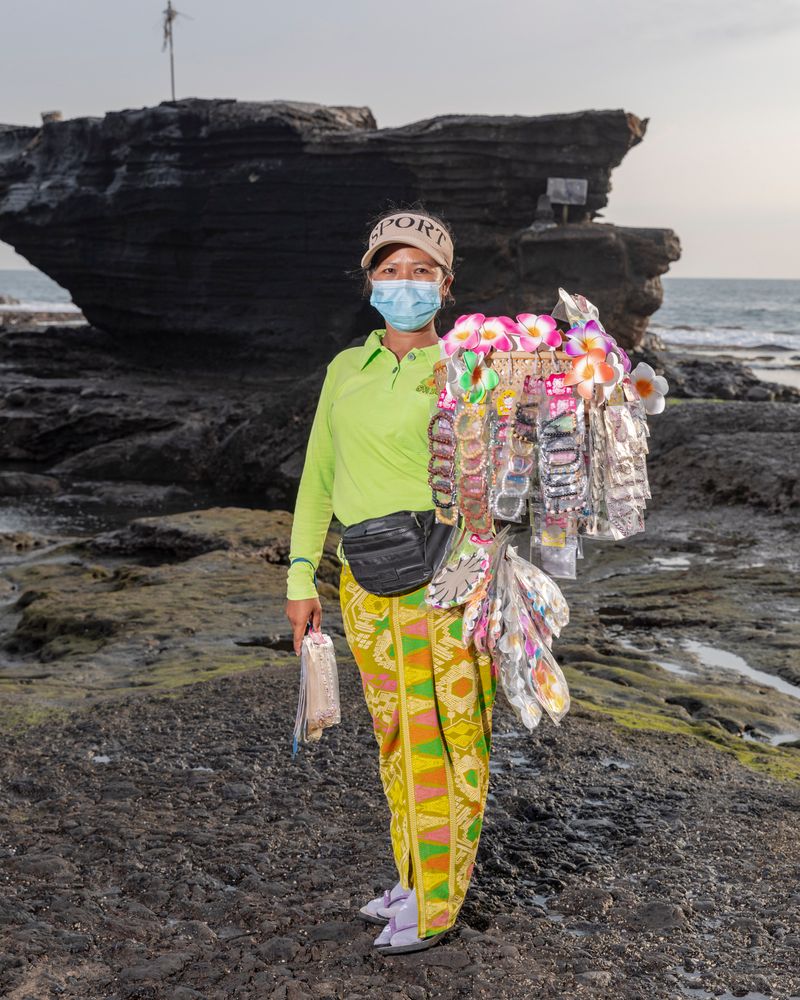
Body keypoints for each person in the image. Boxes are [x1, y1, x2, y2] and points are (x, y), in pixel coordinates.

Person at [284, 208, 497, 956]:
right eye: (389, 269)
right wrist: (301, 574)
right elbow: (318, 477)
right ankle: (413, 873)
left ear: (446, 284)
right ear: (369, 279)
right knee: (395, 735)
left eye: (420, 271)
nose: (403, 284)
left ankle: (438, 907)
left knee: (447, 736)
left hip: (443, 577)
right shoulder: (347, 368)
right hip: (364, 580)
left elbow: (495, 480)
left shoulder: (470, 366)